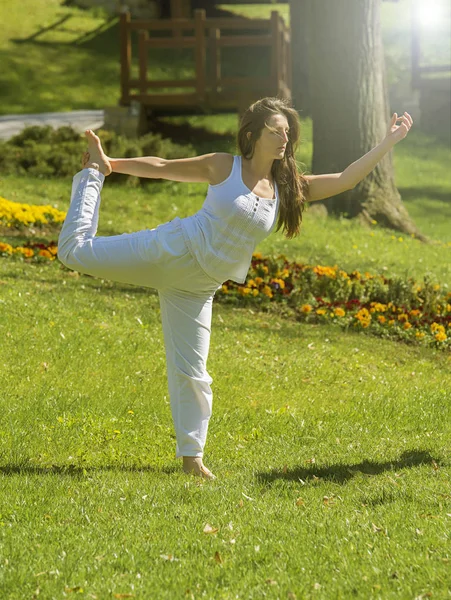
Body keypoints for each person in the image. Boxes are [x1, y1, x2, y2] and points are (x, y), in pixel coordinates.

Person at [57, 97, 412, 480]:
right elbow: (162, 168)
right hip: (173, 251)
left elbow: (346, 180)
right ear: (252, 135)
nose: (283, 138)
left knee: (194, 373)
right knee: (74, 252)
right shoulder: (224, 166)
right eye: (275, 131)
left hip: (198, 288)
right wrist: (109, 166)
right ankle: (90, 176)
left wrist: (388, 142)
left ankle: (192, 459)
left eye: (287, 132)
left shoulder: (287, 188)